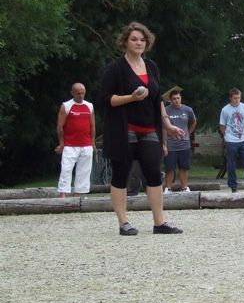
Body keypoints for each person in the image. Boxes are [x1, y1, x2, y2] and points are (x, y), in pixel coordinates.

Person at [98, 21, 184, 236]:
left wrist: (167, 124)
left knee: (154, 173)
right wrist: (131, 97)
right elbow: (106, 100)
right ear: (125, 42)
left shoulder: (152, 67)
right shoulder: (116, 68)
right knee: (121, 173)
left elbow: (157, 101)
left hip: (149, 129)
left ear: (147, 43)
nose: (138, 43)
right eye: (134, 39)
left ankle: (159, 223)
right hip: (124, 128)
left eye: (142, 40)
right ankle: (123, 222)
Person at [55, 83, 96, 198]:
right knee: (66, 169)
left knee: (84, 170)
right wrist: (62, 143)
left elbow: (92, 126)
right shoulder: (66, 106)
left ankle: (79, 193)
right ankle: (63, 193)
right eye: (78, 93)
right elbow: (60, 126)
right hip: (70, 144)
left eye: (83, 93)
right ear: (72, 93)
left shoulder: (89, 106)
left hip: (86, 144)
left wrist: (92, 143)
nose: (81, 95)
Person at [218, 88, 244, 193]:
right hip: (231, 140)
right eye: (235, 98)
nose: (237, 100)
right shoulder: (225, 110)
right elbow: (222, 126)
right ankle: (233, 186)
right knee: (231, 164)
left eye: (239, 98)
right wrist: (227, 135)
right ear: (230, 98)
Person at [163, 90, 197, 194]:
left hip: (184, 144)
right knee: (170, 168)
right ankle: (168, 188)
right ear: (171, 100)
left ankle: (184, 187)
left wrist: (188, 133)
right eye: (174, 99)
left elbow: (193, 122)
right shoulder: (166, 110)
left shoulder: (188, 110)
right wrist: (164, 143)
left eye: (178, 98)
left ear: (181, 98)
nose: (177, 100)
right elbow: (163, 127)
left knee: (184, 167)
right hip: (171, 144)